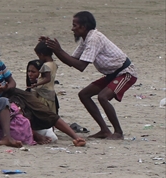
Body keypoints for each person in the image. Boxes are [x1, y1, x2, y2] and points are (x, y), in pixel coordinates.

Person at [39, 11, 136, 140]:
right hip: (112, 74)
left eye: (75, 25)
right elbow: (71, 60)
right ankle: (105, 130)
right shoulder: (86, 39)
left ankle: (118, 132)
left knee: (103, 97)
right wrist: (52, 48)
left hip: (125, 73)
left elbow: (80, 66)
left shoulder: (94, 38)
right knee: (84, 94)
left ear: (83, 27)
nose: (72, 28)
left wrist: (59, 50)